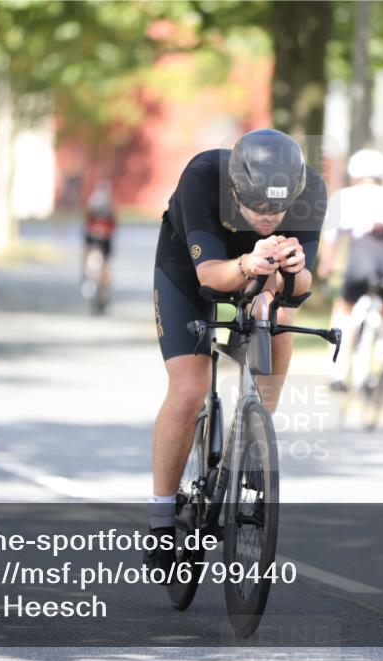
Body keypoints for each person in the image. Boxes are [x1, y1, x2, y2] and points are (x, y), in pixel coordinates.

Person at [144, 129, 327, 572]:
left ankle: (257, 428)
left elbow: (302, 287)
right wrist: (249, 263)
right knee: (190, 388)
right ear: (235, 191)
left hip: (261, 267)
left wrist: (291, 271)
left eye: (278, 210)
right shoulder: (203, 177)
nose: (268, 217)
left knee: (278, 315)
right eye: (258, 207)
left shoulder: (311, 189)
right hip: (190, 266)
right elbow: (210, 277)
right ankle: (161, 519)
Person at [316, 148, 383, 390]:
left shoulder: (343, 198)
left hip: (361, 262)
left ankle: (337, 374)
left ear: (353, 174)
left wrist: (326, 268)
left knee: (343, 310)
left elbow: (331, 241)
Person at [80, 178, 116, 313]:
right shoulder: (93, 206)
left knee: (105, 266)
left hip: (104, 241)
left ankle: (104, 290)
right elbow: (87, 226)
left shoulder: (109, 207)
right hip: (93, 240)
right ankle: (88, 279)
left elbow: (113, 225)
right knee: (90, 261)